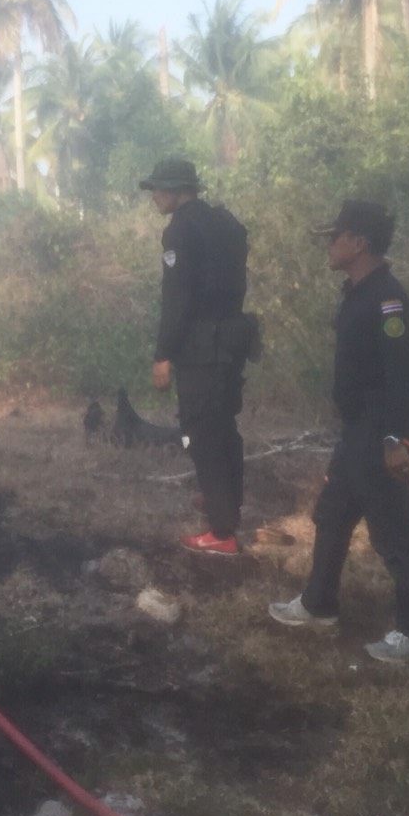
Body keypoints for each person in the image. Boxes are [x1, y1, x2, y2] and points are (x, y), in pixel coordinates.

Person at [269, 200, 409, 663]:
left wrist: (395, 439)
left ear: (358, 243)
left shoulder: (388, 298)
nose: (329, 244)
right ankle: (318, 604)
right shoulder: (357, 292)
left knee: (395, 534)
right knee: (333, 514)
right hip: (356, 430)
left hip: (379, 431)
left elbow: (399, 374)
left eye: (335, 237)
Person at [139, 158, 255, 556]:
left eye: (158, 188)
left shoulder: (180, 231)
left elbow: (177, 299)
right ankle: (225, 501)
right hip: (233, 339)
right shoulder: (225, 222)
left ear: (177, 190)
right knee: (224, 426)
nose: (154, 196)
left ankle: (222, 532)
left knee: (201, 433)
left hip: (201, 346)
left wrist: (163, 354)